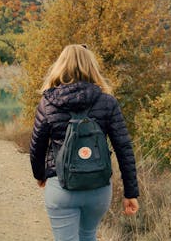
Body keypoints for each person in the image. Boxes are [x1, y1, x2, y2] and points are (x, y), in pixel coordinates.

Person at [30, 44, 139, 241]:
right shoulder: (108, 102)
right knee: (88, 235)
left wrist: (40, 175)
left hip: (61, 187)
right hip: (98, 189)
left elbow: (36, 146)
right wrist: (131, 193)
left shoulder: (48, 103)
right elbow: (124, 148)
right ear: (91, 66)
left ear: (60, 66)